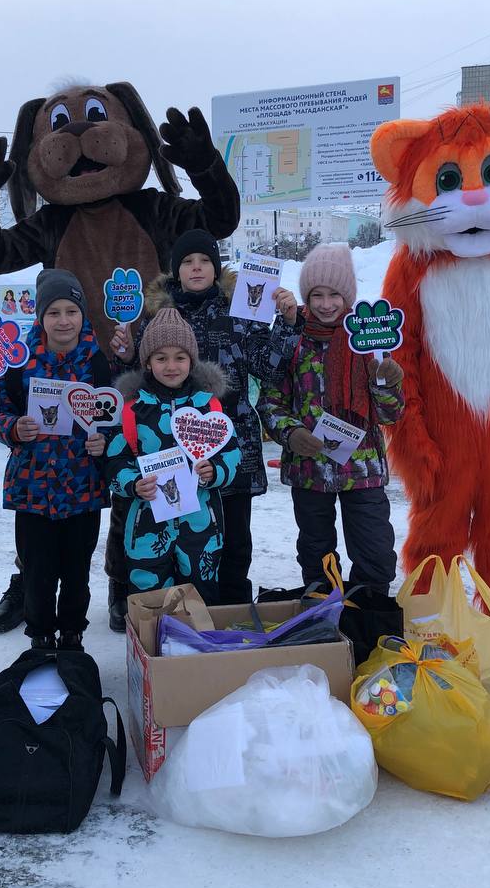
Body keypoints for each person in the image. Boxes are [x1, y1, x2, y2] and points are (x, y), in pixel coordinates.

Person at [110, 228, 299, 614]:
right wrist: (126, 354)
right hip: (169, 459)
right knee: (171, 538)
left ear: (216, 268)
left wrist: (288, 323)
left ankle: (229, 616)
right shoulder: (156, 317)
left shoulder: (243, 310)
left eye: (204, 261)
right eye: (187, 262)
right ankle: (169, 616)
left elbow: (270, 367)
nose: (196, 269)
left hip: (232, 450)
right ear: (175, 271)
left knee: (233, 543)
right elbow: (142, 377)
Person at [259, 244, 405, 596]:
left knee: (375, 550)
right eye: (317, 295)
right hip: (309, 470)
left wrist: (386, 382)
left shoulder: (367, 339)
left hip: (362, 469)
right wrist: (291, 434)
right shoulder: (293, 337)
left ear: (348, 295)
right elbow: (270, 399)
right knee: (315, 551)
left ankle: (368, 615)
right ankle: (323, 611)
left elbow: (390, 414)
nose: (326, 304)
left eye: (334, 295)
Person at [0, 270, 111, 651]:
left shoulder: (97, 362)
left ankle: (73, 633)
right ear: (40, 317)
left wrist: (103, 441)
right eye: (54, 312)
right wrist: (13, 428)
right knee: (38, 571)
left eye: (71, 311)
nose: (63, 320)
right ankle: (40, 637)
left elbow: (116, 415)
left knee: (77, 571)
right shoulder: (19, 361)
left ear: (82, 315)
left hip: (83, 487)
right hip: (33, 487)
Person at [103, 308, 241, 604]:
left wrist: (215, 471)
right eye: (161, 357)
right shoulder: (132, 409)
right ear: (148, 363)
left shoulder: (209, 406)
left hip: (200, 525)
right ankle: (151, 648)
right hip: (147, 526)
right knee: (149, 598)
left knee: (200, 596)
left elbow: (232, 453)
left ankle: (197, 648)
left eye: (179, 357)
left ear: (191, 361)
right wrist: (133, 483)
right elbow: (114, 462)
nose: (171, 366)